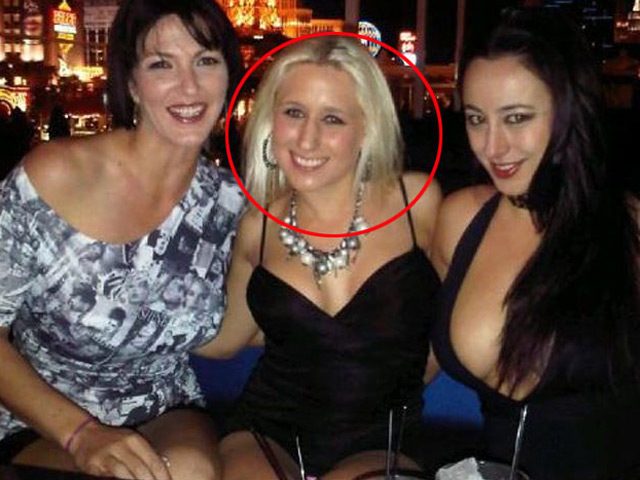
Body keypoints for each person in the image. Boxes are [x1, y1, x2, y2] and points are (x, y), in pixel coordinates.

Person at [0, 0, 244, 479]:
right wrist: (81, 435)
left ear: (227, 75)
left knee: (186, 469)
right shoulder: (51, 178)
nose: (189, 86)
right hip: (41, 420)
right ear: (131, 83)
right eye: (161, 65)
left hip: (166, 409)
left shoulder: (231, 204)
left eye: (205, 61)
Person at [196, 35, 442, 480]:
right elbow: (225, 338)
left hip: (383, 439)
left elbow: (451, 324)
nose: (307, 139)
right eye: (293, 113)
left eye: (332, 119)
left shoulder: (416, 204)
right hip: (266, 432)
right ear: (271, 120)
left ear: (367, 128)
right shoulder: (258, 227)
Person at [431, 8, 640, 480]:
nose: (493, 147)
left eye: (517, 118)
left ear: (568, 111)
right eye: (476, 119)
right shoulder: (461, 219)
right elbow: (409, 356)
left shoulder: (627, 226)